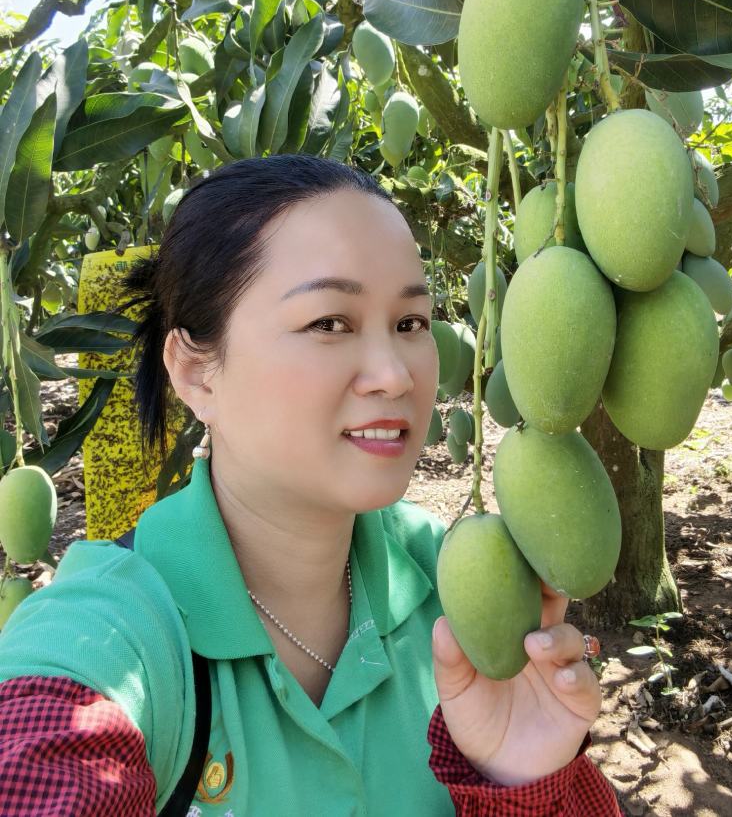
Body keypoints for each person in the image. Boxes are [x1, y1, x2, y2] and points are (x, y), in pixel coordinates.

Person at [0, 155, 622, 815]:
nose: (394, 374)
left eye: (410, 323)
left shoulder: (454, 586)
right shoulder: (113, 634)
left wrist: (518, 783)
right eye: (330, 322)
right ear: (196, 372)